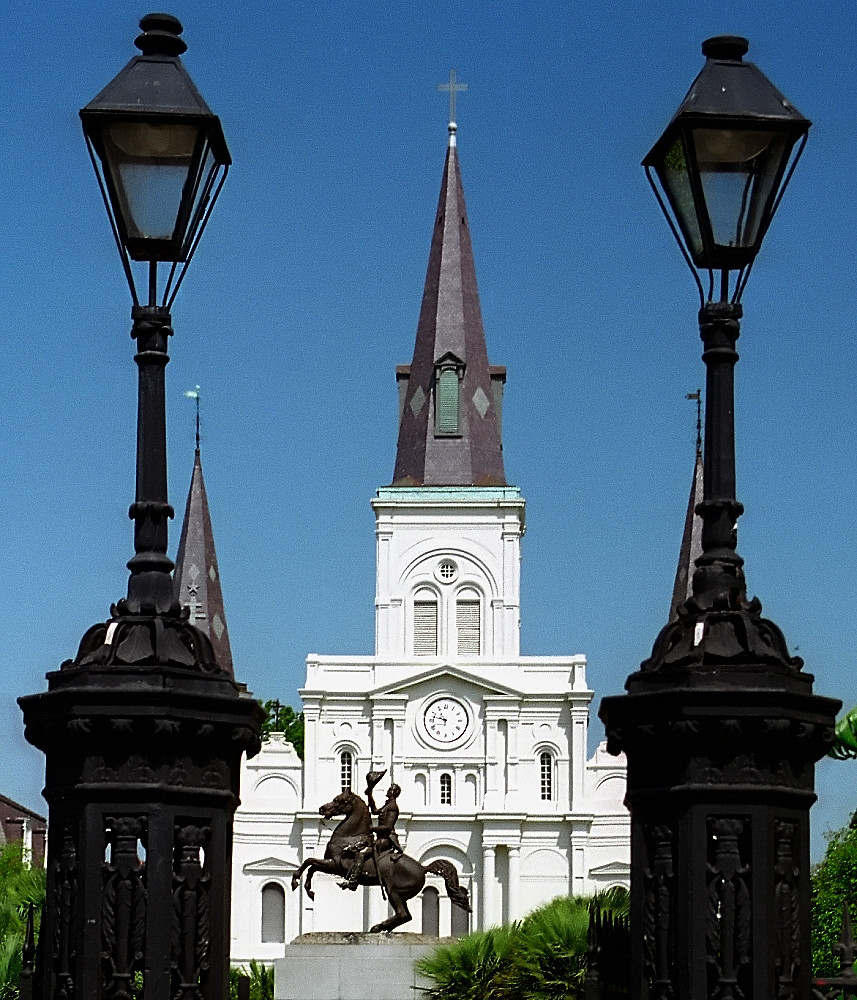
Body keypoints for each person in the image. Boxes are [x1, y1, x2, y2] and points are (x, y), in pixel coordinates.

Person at [341, 779, 402, 890]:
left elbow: (388, 827)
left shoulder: (393, 807)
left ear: (394, 793)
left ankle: (353, 881)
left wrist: (373, 828)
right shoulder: (387, 805)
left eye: (390, 790)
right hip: (380, 838)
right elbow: (374, 811)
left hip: (386, 840)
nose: (388, 791)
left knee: (362, 853)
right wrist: (369, 794)